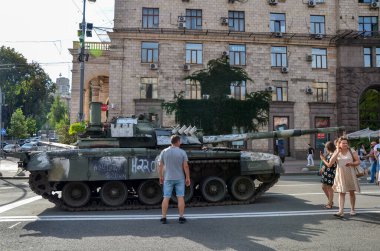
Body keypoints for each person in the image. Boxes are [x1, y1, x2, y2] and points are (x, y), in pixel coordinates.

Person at [323, 137, 360, 217]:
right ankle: (341, 211)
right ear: (339, 144)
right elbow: (330, 163)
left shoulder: (351, 150)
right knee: (341, 193)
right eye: (343, 143)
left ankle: (352, 209)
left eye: (346, 143)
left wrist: (351, 164)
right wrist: (337, 152)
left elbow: (358, 161)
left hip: (350, 173)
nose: (345, 144)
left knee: (351, 192)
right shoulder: (336, 152)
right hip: (340, 174)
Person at [158, 135, 191, 224]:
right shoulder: (182, 152)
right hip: (179, 178)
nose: (180, 143)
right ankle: (181, 217)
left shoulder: (164, 151)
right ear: (178, 142)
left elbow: (160, 166)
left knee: (166, 197)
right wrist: (187, 177)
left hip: (168, 178)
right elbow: (186, 166)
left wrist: (160, 176)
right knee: (180, 197)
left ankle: (163, 218)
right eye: (180, 141)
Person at [319, 141, 337, 209]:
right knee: (323, 187)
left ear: (328, 147)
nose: (325, 148)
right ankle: (330, 201)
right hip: (326, 172)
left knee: (329, 188)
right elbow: (326, 163)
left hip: (330, 172)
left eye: (326, 147)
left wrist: (323, 159)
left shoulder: (333, 154)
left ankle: (330, 203)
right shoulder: (329, 154)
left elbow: (329, 165)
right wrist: (322, 168)